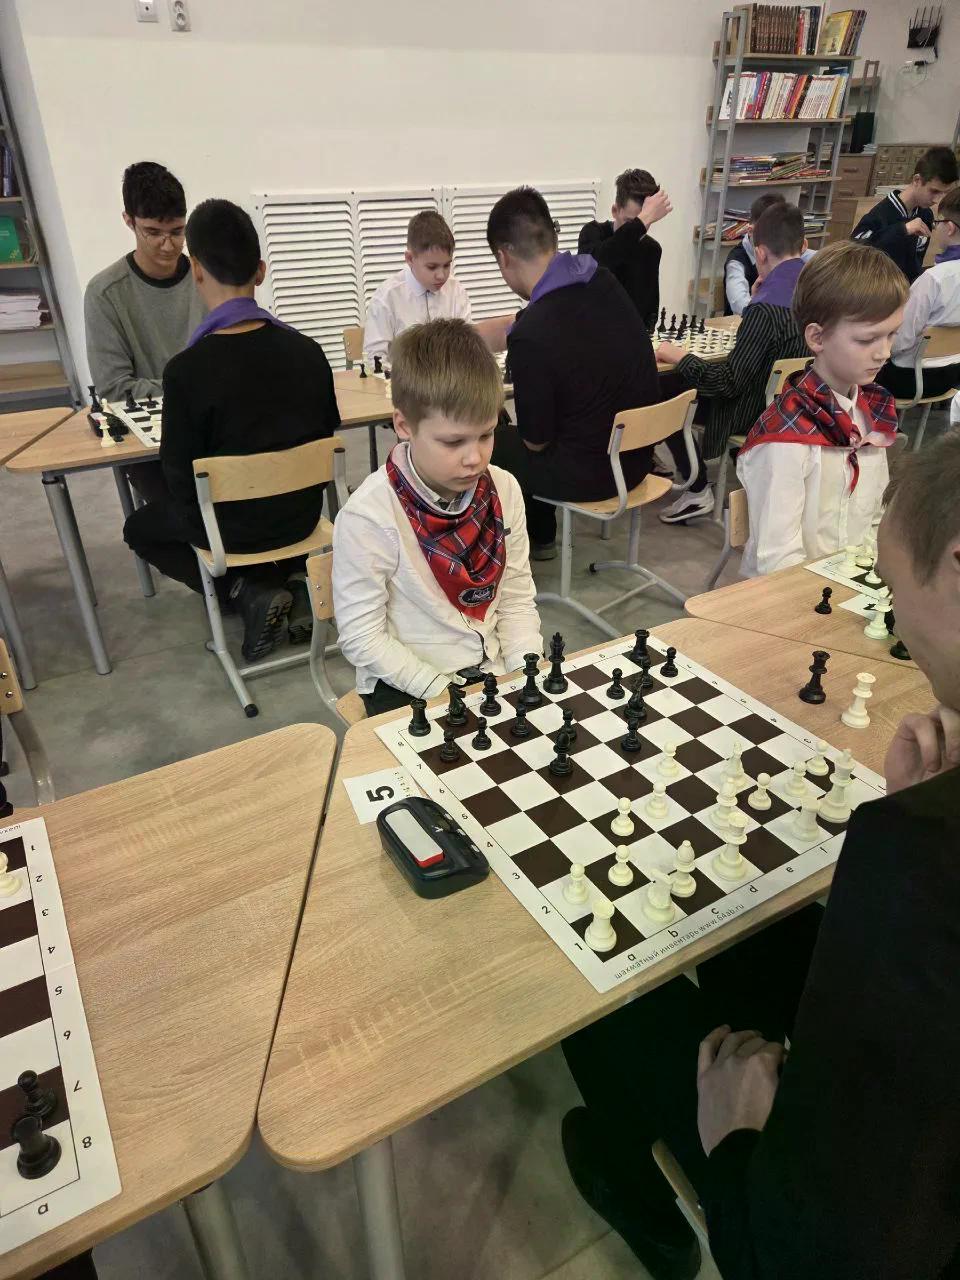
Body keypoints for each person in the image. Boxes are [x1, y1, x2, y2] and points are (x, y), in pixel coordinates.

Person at [561, 431, 960, 1280]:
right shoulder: (921, 845)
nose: (894, 620)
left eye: (894, 591)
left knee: (599, 981)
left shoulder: (922, 862)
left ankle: (631, 1183)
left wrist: (738, 1135)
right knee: (742, 920)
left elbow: (810, 1256)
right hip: (880, 1123)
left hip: (798, 1214)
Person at [123, 198, 340, 661]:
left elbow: (179, 478)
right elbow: (328, 431)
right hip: (301, 518)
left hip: (230, 536)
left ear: (196, 270)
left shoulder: (185, 371)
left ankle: (243, 590)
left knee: (140, 527)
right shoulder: (309, 352)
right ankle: (293, 579)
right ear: (260, 271)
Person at [332, 319, 542, 717]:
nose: (475, 458)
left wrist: (525, 669)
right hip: (408, 681)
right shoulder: (368, 517)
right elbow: (362, 638)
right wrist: (444, 692)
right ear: (403, 426)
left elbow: (515, 598)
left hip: (490, 669)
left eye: (486, 435)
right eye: (453, 441)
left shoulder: (504, 488)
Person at [485, 186, 659, 558]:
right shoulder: (601, 279)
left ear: (503, 256)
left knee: (484, 442)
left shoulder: (532, 334)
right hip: (637, 458)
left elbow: (536, 442)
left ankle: (507, 550)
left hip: (594, 474)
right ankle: (541, 538)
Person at [736, 239, 906, 576]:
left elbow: (875, 519)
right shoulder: (784, 438)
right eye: (867, 339)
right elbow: (778, 563)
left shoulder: (872, 413)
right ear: (817, 338)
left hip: (851, 583)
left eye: (891, 335)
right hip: (791, 593)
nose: (884, 353)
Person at [657, 202, 810, 523]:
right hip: (794, 406)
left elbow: (728, 383)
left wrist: (680, 357)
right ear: (804, 245)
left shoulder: (765, 310)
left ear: (761, 253)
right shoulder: (816, 294)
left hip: (752, 412)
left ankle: (697, 490)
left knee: (667, 391)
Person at [84, 161, 205, 501]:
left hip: (214, 422)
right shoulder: (105, 293)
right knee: (184, 512)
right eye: (153, 232)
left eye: (178, 231)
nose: (168, 245)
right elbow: (114, 388)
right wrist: (199, 388)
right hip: (152, 441)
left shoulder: (208, 277)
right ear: (129, 221)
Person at [875, 180, 960, 400]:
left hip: (910, 378)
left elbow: (900, 342)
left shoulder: (934, 279)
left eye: (938, 222)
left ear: (950, 227)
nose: (935, 228)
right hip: (953, 375)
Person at [363, 210, 472, 362]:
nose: (441, 275)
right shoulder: (386, 298)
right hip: (401, 377)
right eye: (432, 267)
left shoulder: (457, 291)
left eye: (447, 265)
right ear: (410, 258)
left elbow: (467, 346)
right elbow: (375, 359)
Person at [578, 168, 672, 330]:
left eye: (647, 222)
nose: (641, 229)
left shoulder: (652, 250)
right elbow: (597, 268)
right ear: (615, 211)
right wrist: (641, 222)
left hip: (629, 336)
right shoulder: (592, 233)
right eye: (631, 222)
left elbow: (647, 312)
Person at [852, 144, 958, 283]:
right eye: (934, 191)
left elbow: (915, 264)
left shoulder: (925, 215)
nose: (937, 200)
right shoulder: (881, 213)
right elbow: (854, 251)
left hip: (906, 289)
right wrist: (902, 230)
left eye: (945, 193)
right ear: (917, 180)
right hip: (873, 289)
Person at [725, 192, 810, 316]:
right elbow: (739, 303)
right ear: (751, 231)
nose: (776, 239)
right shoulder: (737, 261)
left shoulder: (794, 252)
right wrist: (758, 301)